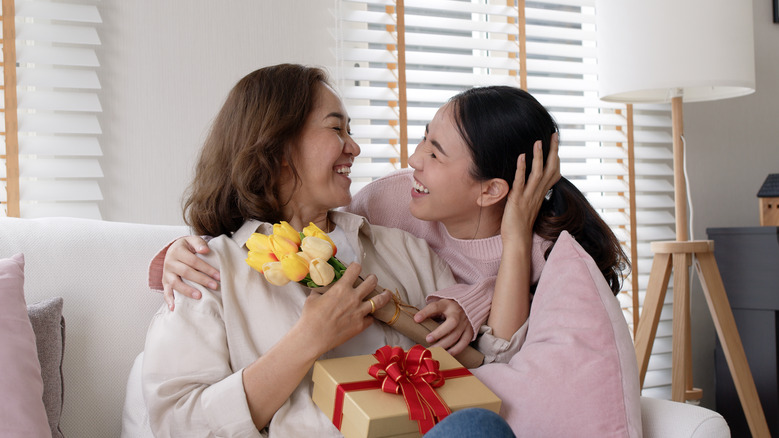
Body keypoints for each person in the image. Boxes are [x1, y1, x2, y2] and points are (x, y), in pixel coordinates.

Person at [141, 64, 514, 437]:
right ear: (278, 145)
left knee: (479, 426)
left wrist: (469, 310)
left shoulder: (406, 249)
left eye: (350, 131)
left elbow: (493, 365)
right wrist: (307, 340)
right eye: (337, 129)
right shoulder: (206, 270)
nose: (354, 147)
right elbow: (177, 425)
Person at [152, 85, 627, 355]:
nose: (414, 160)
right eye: (424, 138)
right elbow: (297, 237)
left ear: (490, 190)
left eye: (435, 153)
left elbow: (503, 356)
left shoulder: (547, 255)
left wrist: (515, 239)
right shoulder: (391, 200)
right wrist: (172, 256)